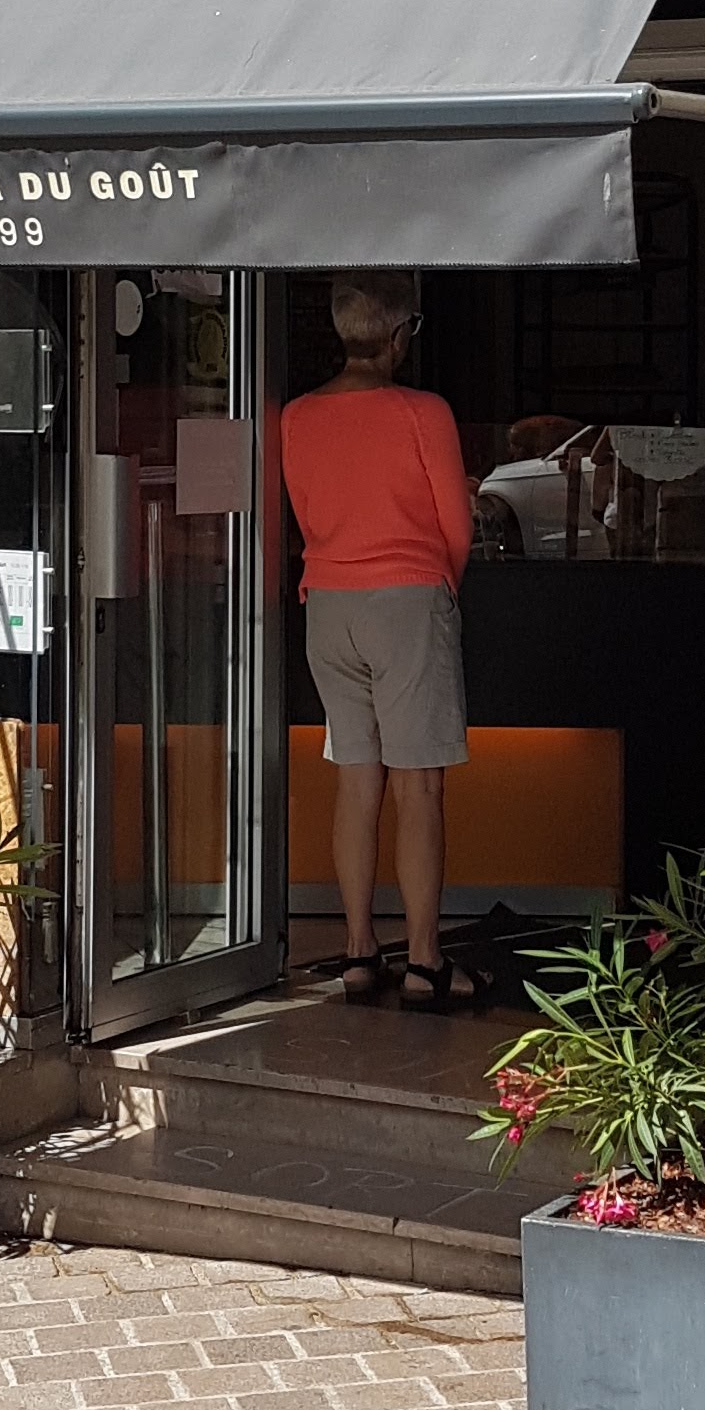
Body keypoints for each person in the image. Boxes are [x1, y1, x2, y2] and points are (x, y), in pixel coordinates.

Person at [279, 272, 480, 1012]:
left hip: (327, 604)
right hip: (406, 599)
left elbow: (303, 513)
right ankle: (425, 962)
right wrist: (439, 587)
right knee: (418, 785)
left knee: (357, 780)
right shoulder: (423, 412)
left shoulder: (296, 417)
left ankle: (360, 951)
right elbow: (456, 526)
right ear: (399, 336)